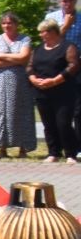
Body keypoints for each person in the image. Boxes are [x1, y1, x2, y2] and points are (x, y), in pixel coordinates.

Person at [0, 11, 36, 159]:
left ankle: (22, 149)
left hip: (19, 83)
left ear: (16, 24)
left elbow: (24, 57)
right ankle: (2, 148)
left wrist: (2, 56)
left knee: (20, 111)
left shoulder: (24, 39)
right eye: (4, 23)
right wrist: (14, 59)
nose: (6, 26)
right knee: (0, 112)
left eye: (10, 23)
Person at [28, 18, 80, 163]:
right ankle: (53, 152)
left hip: (63, 92)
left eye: (43, 32)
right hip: (42, 92)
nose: (40, 35)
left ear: (52, 32)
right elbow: (30, 66)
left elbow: (73, 66)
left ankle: (70, 154)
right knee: (48, 124)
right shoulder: (38, 49)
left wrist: (55, 80)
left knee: (63, 123)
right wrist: (33, 78)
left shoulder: (68, 47)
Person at [44, 0, 81, 155]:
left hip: (77, 65)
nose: (68, 4)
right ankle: (56, 148)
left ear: (76, 0)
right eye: (64, 0)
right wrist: (65, 26)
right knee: (56, 109)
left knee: (78, 110)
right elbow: (50, 40)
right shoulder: (51, 18)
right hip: (56, 65)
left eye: (71, 0)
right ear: (60, 1)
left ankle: (78, 147)